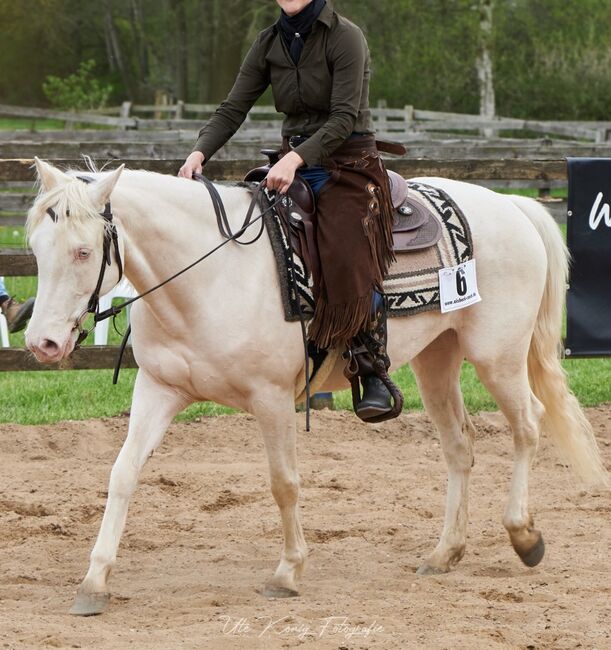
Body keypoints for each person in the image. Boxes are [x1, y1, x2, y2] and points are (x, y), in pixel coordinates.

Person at [179, 0, 402, 421]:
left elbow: (343, 117)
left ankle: (370, 367)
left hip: (347, 164)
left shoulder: (345, 37)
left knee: (345, 249)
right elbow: (233, 108)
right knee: (254, 240)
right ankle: (286, 345)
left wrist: (295, 159)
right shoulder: (267, 42)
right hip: (291, 161)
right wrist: (198, 153)